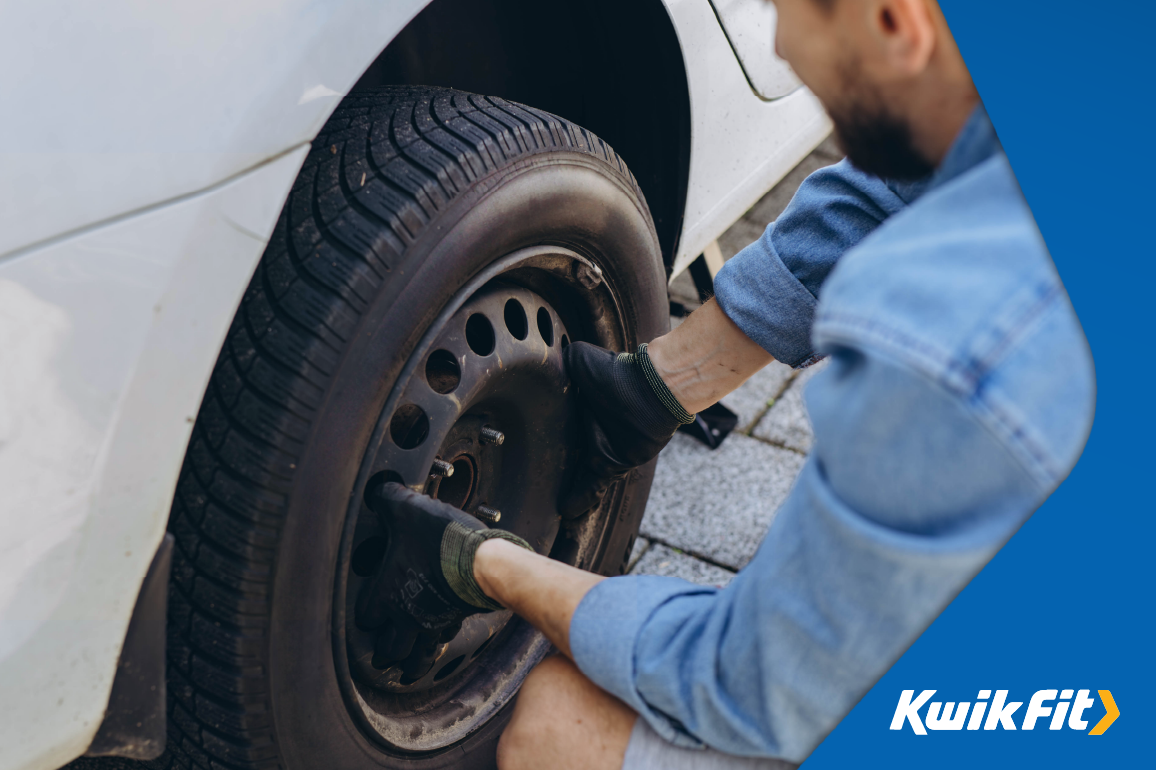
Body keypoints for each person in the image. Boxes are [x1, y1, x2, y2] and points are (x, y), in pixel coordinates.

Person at [358, 0, 1094, 767]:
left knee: (556, 725)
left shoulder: (949, 348)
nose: (777, 40)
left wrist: (483, 563)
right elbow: (891, 187)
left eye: (788, 5)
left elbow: (740, 683)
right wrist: (654, 389)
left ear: (894, 22)